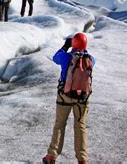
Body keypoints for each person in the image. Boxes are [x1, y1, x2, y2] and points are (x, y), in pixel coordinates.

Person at [43, 33, 96, 164]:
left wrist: (66, 46)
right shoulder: (91, 59)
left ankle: (51, 156)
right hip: (82, 99)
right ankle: (82, 158)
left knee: (60, 124)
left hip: (64, 96)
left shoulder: (66, 57)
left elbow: (55, 57)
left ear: (74, 44)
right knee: (80, 126)